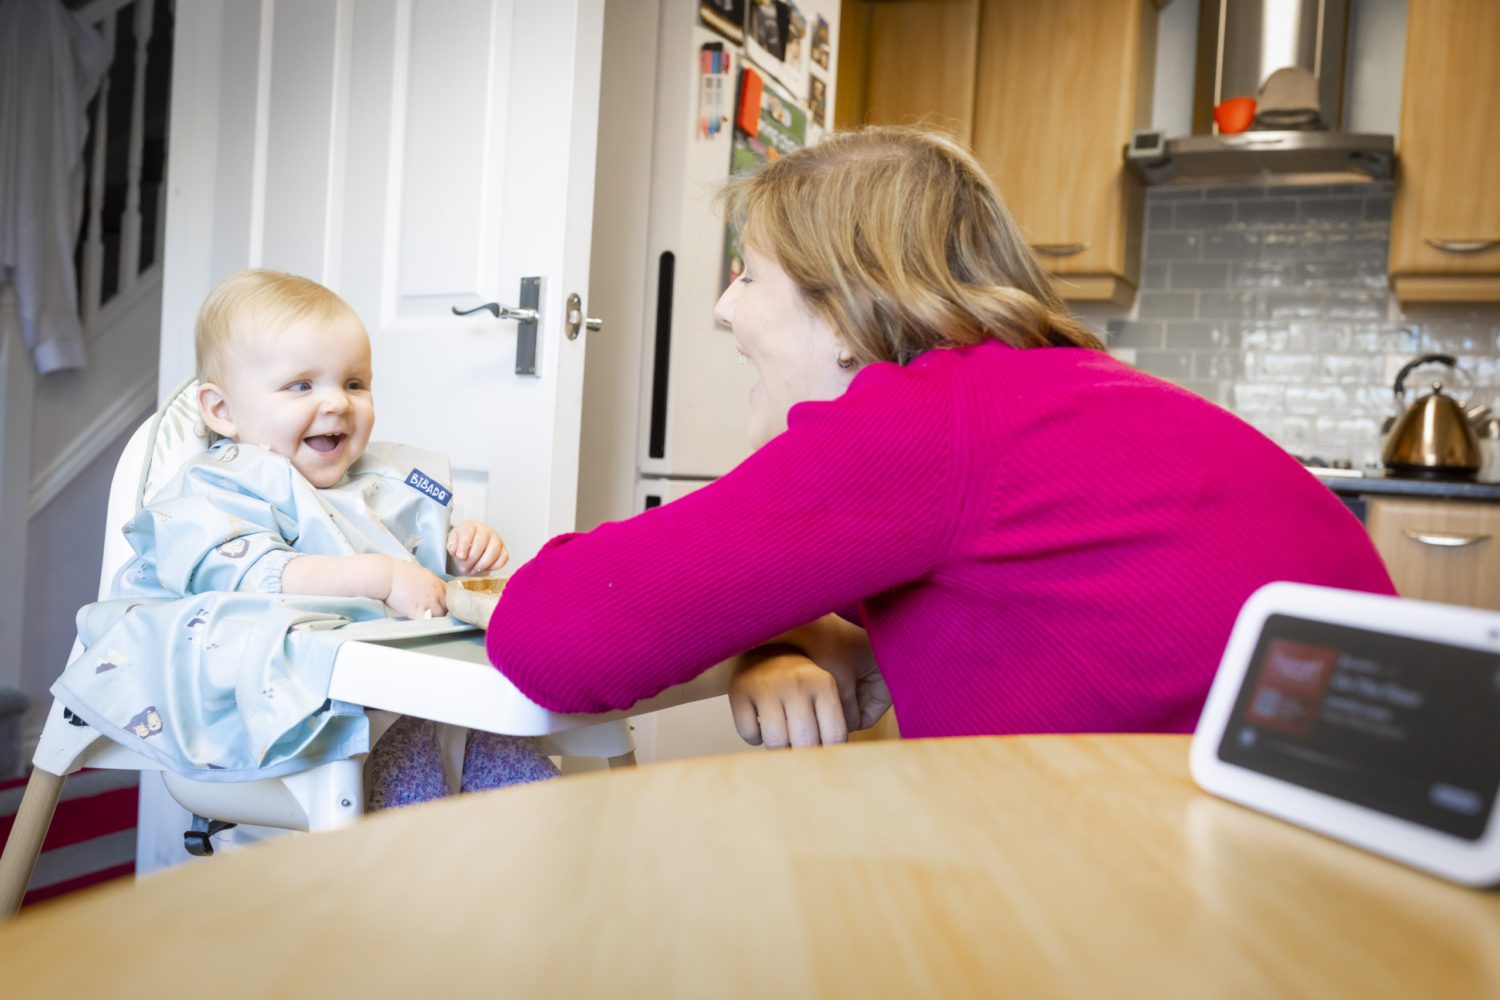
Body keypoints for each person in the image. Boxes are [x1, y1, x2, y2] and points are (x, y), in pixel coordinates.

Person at [482, 126, 1396, 748]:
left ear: (843, 313)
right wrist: (786, 633)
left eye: (748, 276)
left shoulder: (923, 421)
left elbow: (552, 633)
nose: (723, 310)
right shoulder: (1041, 399)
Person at [53, 269, 557, 805]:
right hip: (306, 708)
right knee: (419, 782)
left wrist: (459, 552)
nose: (338, 403)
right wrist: (382, 577)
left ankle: (562, 855)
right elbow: (257, 573)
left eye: (355, 383)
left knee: (528, 777)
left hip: (414, 690)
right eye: (301, 385)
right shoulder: (220, 484)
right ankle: (433, 867)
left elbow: (417, 562)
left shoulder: (375, 481)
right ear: (222, 412)